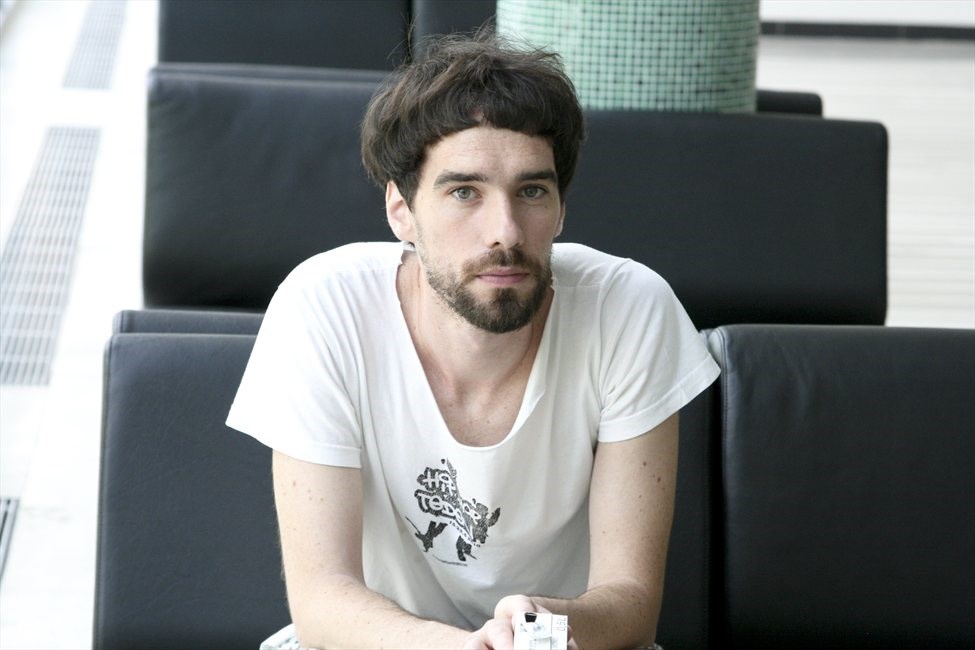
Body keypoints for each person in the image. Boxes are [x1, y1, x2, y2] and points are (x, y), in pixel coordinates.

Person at [227, 31, 719, 650]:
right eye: (465, 192)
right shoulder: (324, 305)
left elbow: (633, 604)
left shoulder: (629, 307)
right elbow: (322, 601)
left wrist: (540, 622)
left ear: (560, 210)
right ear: (401, 210)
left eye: (531, 191)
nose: (505, 231)